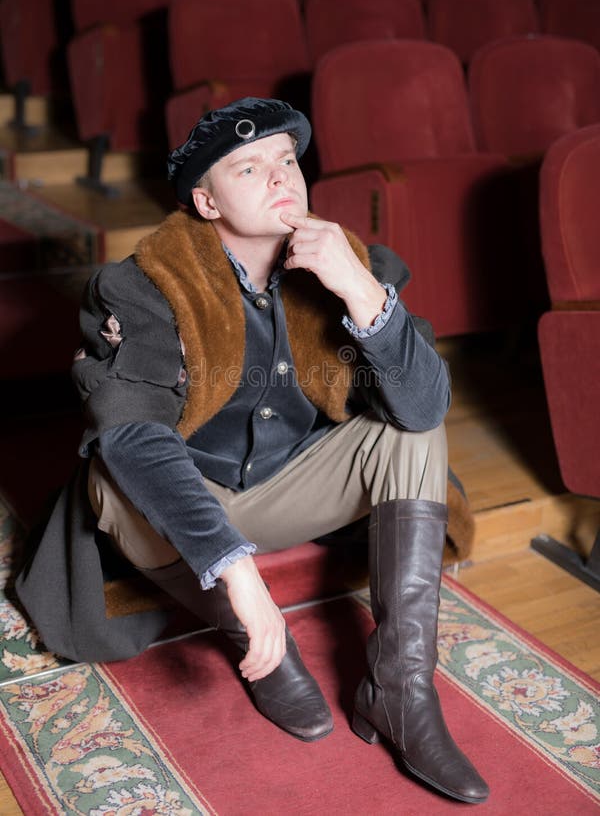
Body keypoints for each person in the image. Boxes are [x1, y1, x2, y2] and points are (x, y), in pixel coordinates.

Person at [16, 98, 488, 804]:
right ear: (206, 201)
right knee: (111, 470)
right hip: (186, 506)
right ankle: (257, 645)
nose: (279, 177)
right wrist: (237, 572)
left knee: (411, 430)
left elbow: (423, 406)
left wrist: (360, 292)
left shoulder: (355, 265)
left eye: (287, 161)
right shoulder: (146, 286)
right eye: (248, 167)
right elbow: (132, 433)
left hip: (290, 485)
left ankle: (400, 690)